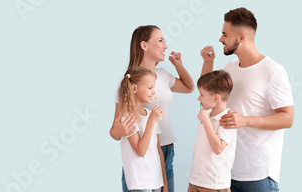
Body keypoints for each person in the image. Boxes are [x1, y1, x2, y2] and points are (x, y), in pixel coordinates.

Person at [200, 7, 294, 192]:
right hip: (226, 172)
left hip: (258, 176)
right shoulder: (230, 67)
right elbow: (207, 100)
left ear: (241, 37)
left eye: (225, 34)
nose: (220, 39)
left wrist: (244, 121)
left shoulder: (273, 71)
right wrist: (208, 63)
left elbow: (287, 118)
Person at [110, 25, 195, 192]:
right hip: (142, 158)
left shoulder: (163, 75)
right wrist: (119, 130)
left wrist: (178, 65)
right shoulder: (129, 83)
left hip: (167, 151)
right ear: (144, 45)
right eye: (160, 40)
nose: (165, 46)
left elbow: (189, 87)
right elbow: (115, 131)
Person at [118, 66, 167, 192]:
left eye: (153, 88)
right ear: (134, 88)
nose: (153, 92)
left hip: (156, 180)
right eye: (150, 88)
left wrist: (164, 184)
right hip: (140, 182)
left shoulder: (151, 114)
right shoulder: (127, 117)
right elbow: (141, 150)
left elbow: (158, 151)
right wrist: (151, 121)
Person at [188, 70, 236, 192]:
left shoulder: (227, 119)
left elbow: (218, 148)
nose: (199, 98)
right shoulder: (207, 116)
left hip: (214, 184)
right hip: (195, 180)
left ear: (216, 98)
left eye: (202, 94)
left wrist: (206, 122)